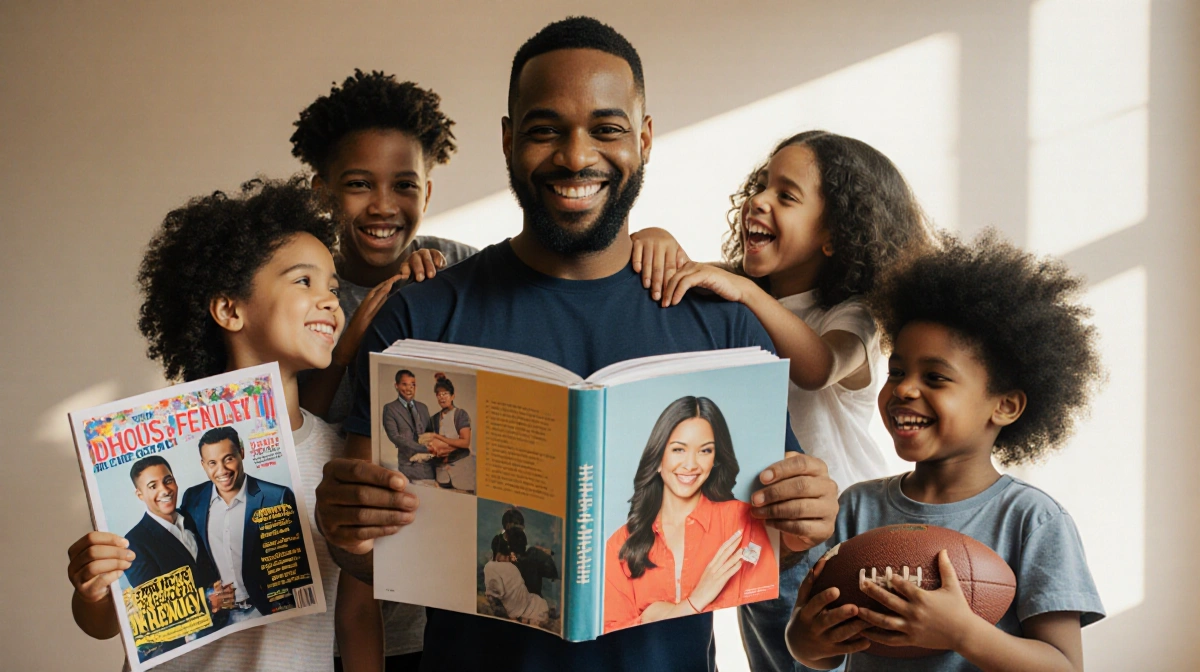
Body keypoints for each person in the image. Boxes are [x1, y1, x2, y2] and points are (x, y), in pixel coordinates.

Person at [314, 17, 839, 671]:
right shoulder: (417, 319)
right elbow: (365, 558)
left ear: (644, 139)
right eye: (545, 130)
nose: (575, 155)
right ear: (508, 140)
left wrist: (806, 517)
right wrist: (344, 527)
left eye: (606, 128)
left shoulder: (723, 328)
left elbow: (768, 540)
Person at [629, 131, 930, 670]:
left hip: (839, 534)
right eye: (761, 185)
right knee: (774, 656)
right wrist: (654, 236)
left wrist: (744, 290)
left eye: (786, 195)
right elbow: (671, 271)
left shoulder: (852, 314)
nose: (759, 200)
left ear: (834, 236)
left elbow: (816, 366)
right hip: (765, 531)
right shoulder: (738, 298)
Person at [65, 178, 380, 671]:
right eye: (304, 281)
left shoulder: (342, 458)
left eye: (333, 288)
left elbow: (359, 616)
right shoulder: (167, 468)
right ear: (230, 309)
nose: (329, 301)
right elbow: (110, 622)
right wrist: (92, 589)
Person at [786, 231, 1106, 671]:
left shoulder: (1033, 520)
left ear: (1005, 406)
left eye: (935, 377)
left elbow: (1064, 667)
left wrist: (962, 632)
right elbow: (817, 651)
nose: (905, 388)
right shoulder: (855, 507)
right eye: (896, 370)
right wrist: (806, 640)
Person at [295, 70, 477, 425]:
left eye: (404, 185)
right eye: (360, 184)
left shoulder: (464, 269)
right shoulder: (298, 291)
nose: (383, 206)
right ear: (322, 192)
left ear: (426, 195)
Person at [603, 396, 775, 634]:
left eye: (705, 450)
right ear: (657, 459)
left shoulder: (743, 521)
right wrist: (694, 602)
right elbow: (612, 633)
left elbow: (759, 601)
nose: (691, 464)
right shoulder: (619, 544)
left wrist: (655, 614)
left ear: (715, 459)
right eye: (678, 449)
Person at [178, 426, 307, 622]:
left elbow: (297, 566)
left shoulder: (277, 497)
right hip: (219, 619)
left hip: (267, 611)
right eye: (212, 463)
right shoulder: (192, 498)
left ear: (242, 453)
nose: (221, 470)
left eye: (228, 458)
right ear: (203, 465)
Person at [123, 456, 228, 660]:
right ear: (139, 494)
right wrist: (208, 600)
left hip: (226, 632)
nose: (165, 490)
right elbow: (157, 610)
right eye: (153, 486)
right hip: (184, 652)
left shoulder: (190, 516)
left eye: (168, 480)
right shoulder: (134, 543)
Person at [483, 531, 550, 628]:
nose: (507, 559)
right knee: (538, 604)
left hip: (520, 603)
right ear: (498, 554)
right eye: (506, 556)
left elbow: (498, 592)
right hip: (517, 606)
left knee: (535, 602)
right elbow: (497, 593)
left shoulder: (491, 567)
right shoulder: (499, 567)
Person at [381, 369, 435, 483]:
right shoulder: (390, 409)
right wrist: (422, 448)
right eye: (404, 384)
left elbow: (431, 433)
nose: (409, 388)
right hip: (408, 465)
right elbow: (394, 436)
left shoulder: (423, 407)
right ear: (396, 386)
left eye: (412, 385)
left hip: (429, 465)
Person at [423, 373, 474, 491]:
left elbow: (465, 443)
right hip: (441, 473)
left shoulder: (460, 414)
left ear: (452, 396)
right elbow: (426, 442)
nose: (442, 397)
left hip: (461, 469)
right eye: (439, 394)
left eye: (445, 394)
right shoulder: (433, 419)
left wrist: (439, 438)